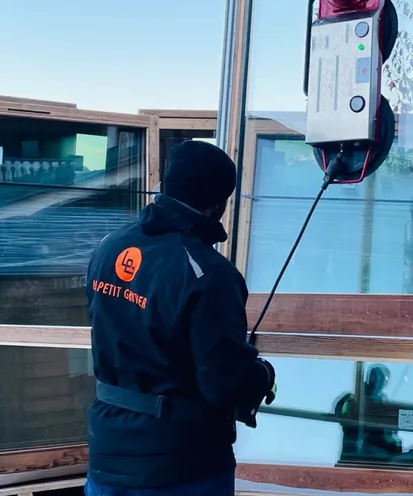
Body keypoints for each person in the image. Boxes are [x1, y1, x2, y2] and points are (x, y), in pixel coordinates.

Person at [86, 140, 276, 496]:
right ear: (219, 204)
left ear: (167, 187)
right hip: (180, 467)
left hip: (106, 454)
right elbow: (223, 384)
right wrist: (263, 376)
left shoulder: (109, 248)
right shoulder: (209, 274)